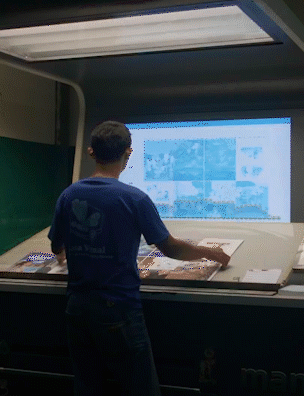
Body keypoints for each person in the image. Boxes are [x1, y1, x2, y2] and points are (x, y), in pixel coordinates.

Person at [48, 120, 231, 396]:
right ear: (128, 152)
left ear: (91, 152)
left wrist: (70, 252)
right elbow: (170, 248)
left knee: (86, 386)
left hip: (77, 309)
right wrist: (210, 253)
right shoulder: (135, 199)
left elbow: (56, 246)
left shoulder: (68, 195)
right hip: (118, 311)